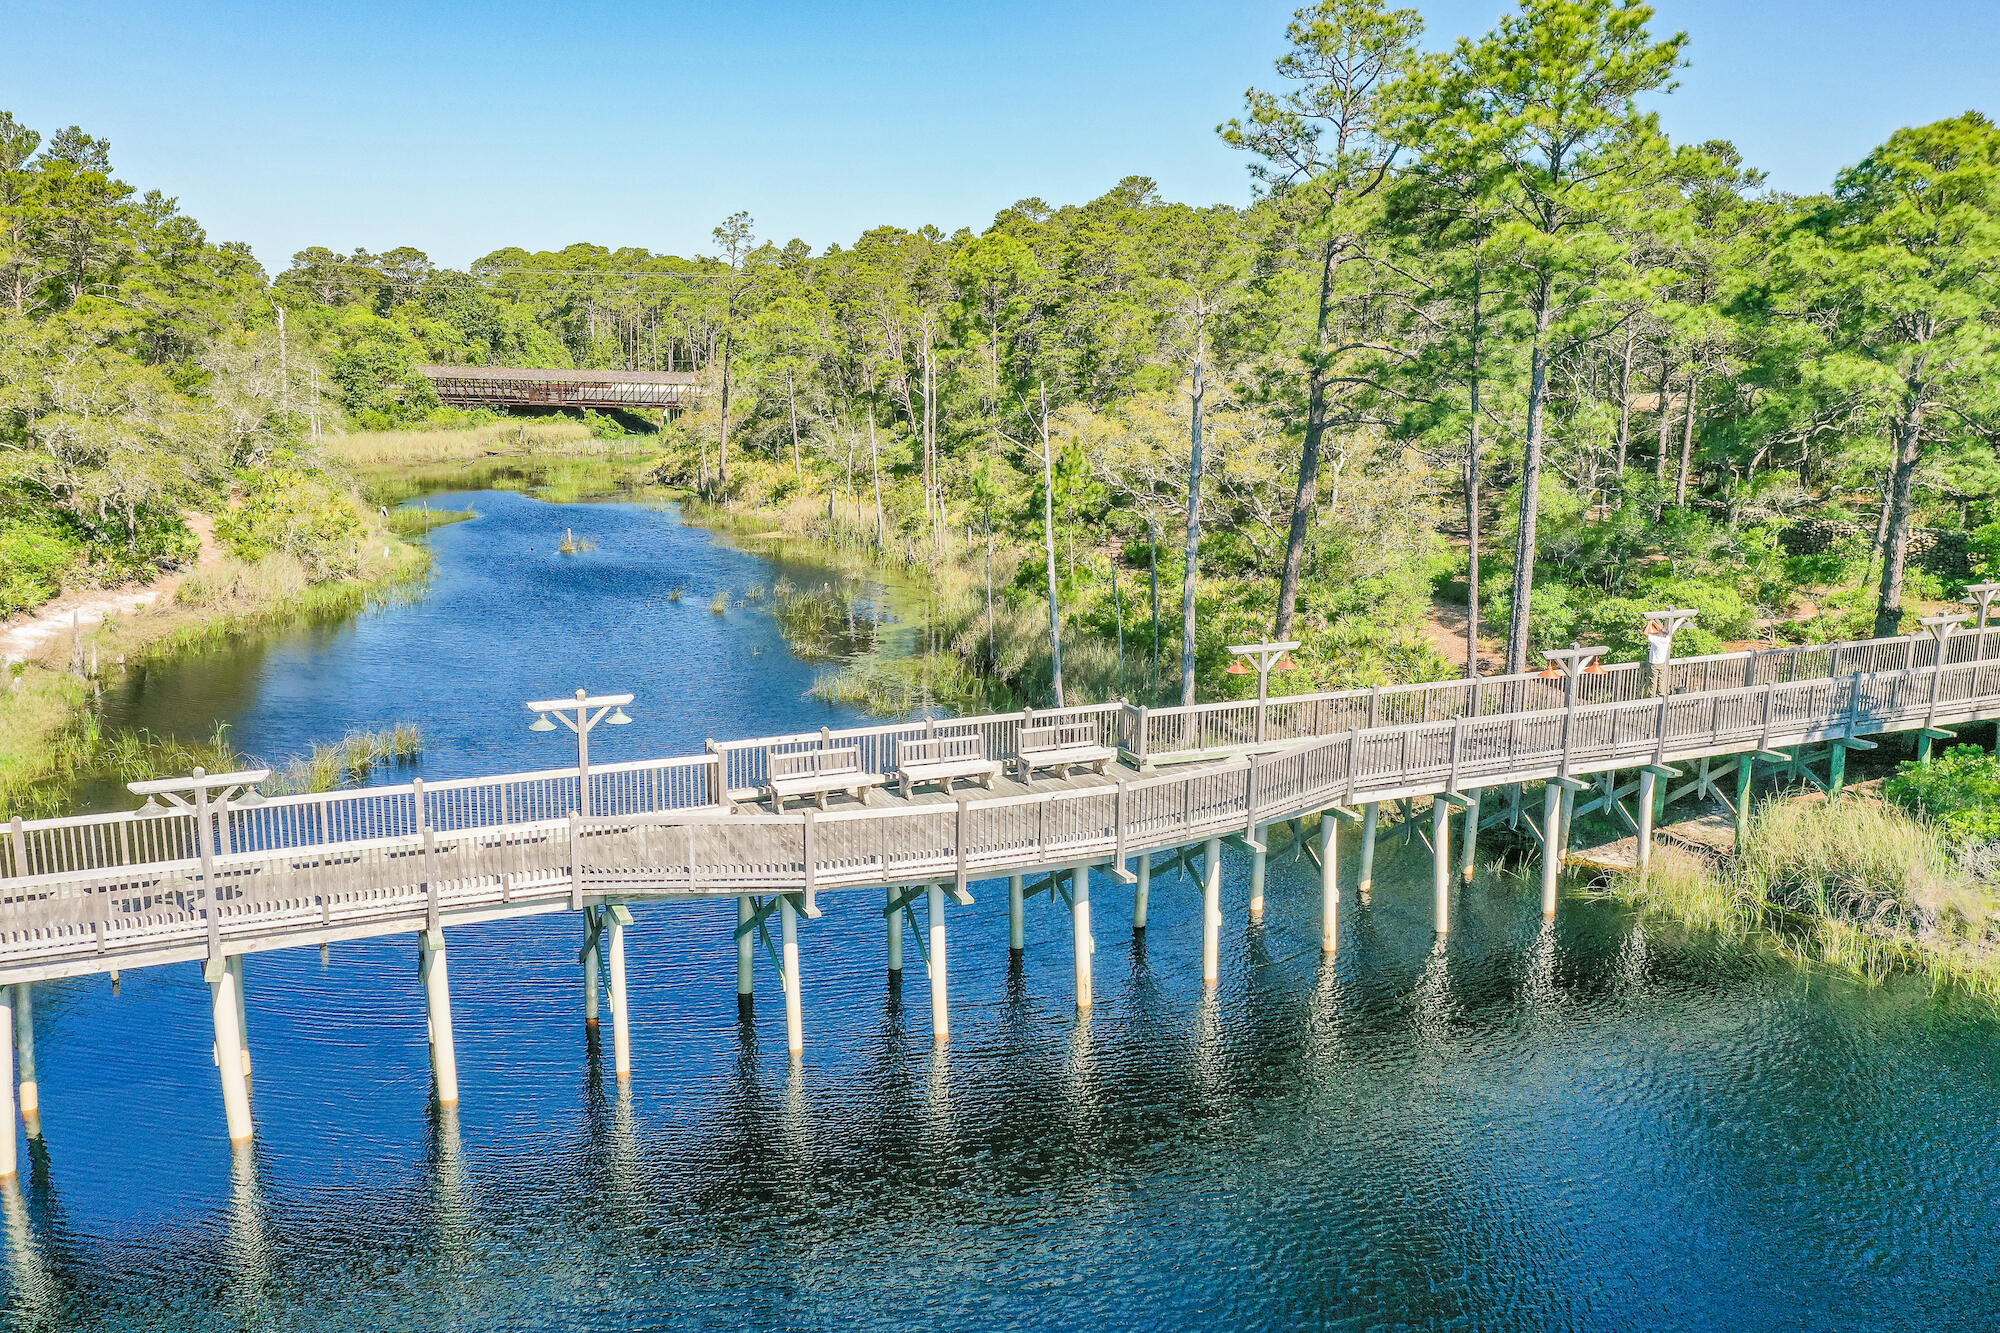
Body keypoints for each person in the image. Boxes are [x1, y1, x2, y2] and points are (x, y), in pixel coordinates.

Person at [1645, 619, 1672, 695]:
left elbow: (1645, 633)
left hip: (1654, 663)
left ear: (1661, 634)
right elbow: (1661, 629)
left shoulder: (1657, 640)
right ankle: (1661, 694)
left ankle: (1651, 697)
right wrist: (1654, 622)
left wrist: (1649, 624)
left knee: (1652, 681)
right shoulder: (1667, 639)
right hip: (1661, 663)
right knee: (1661, 680)